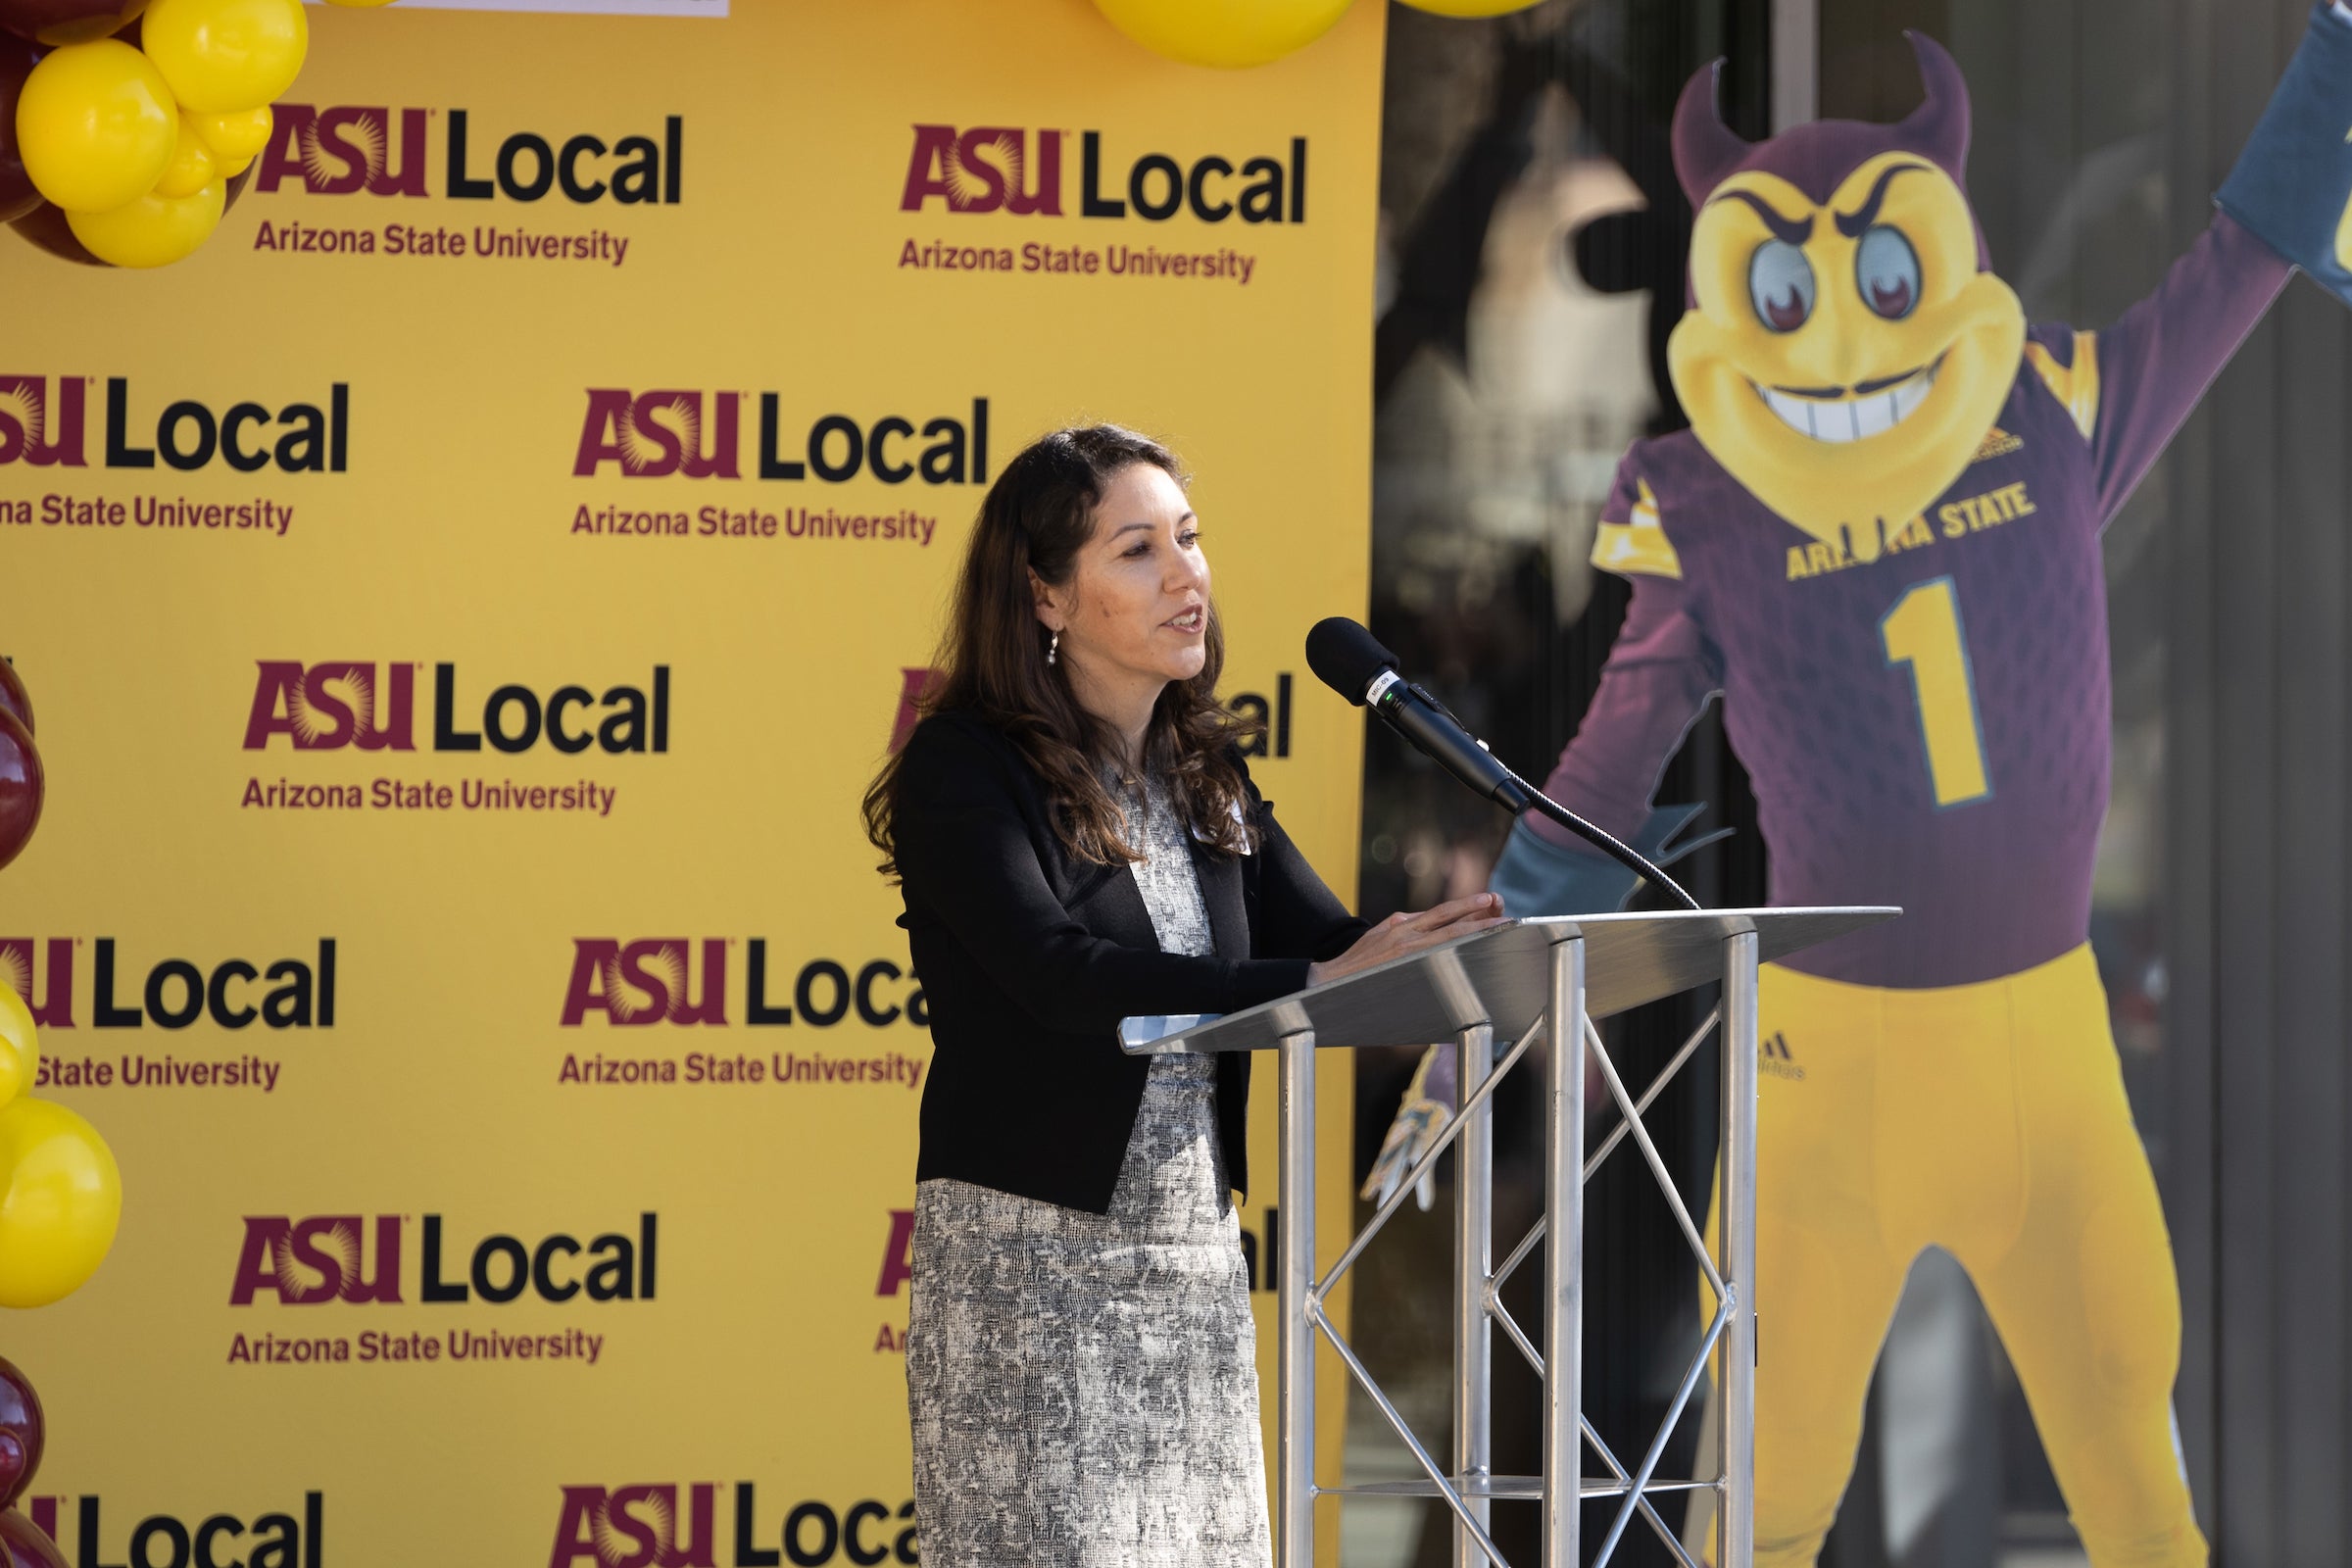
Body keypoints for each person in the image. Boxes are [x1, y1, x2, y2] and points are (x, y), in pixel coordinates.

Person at [862, 423, 1504, 1568]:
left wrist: (1471, 951)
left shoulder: (1204, 768)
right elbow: (1060, 976)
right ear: (1047, 596)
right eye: (1138, 550)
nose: (1186, 574)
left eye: (1191, 540)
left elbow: (1331, 942)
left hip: (1192, 1265)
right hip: (1034, 1269)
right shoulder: (964, 767)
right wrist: (1316, 979)